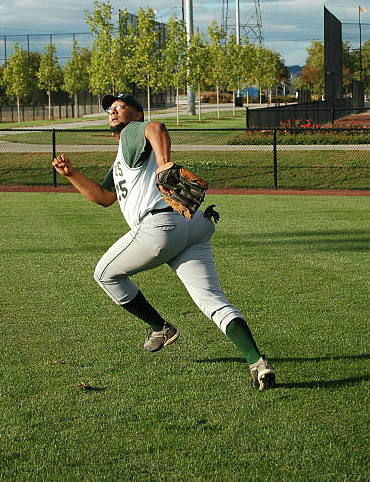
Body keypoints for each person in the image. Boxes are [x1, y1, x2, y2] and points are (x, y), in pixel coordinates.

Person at [52, 93, 275, 390]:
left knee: (105, 274)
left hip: (160, 226)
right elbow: (104, 198)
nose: (113, 111)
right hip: (193, 225)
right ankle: (258, 363)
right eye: (110, 108)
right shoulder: (123, 155)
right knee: (213, 301)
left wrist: (163, 164)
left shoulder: (134, 130)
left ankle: (160, 328)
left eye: (120, 107)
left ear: (135, 114)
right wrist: (73, 175)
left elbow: (155, 127)